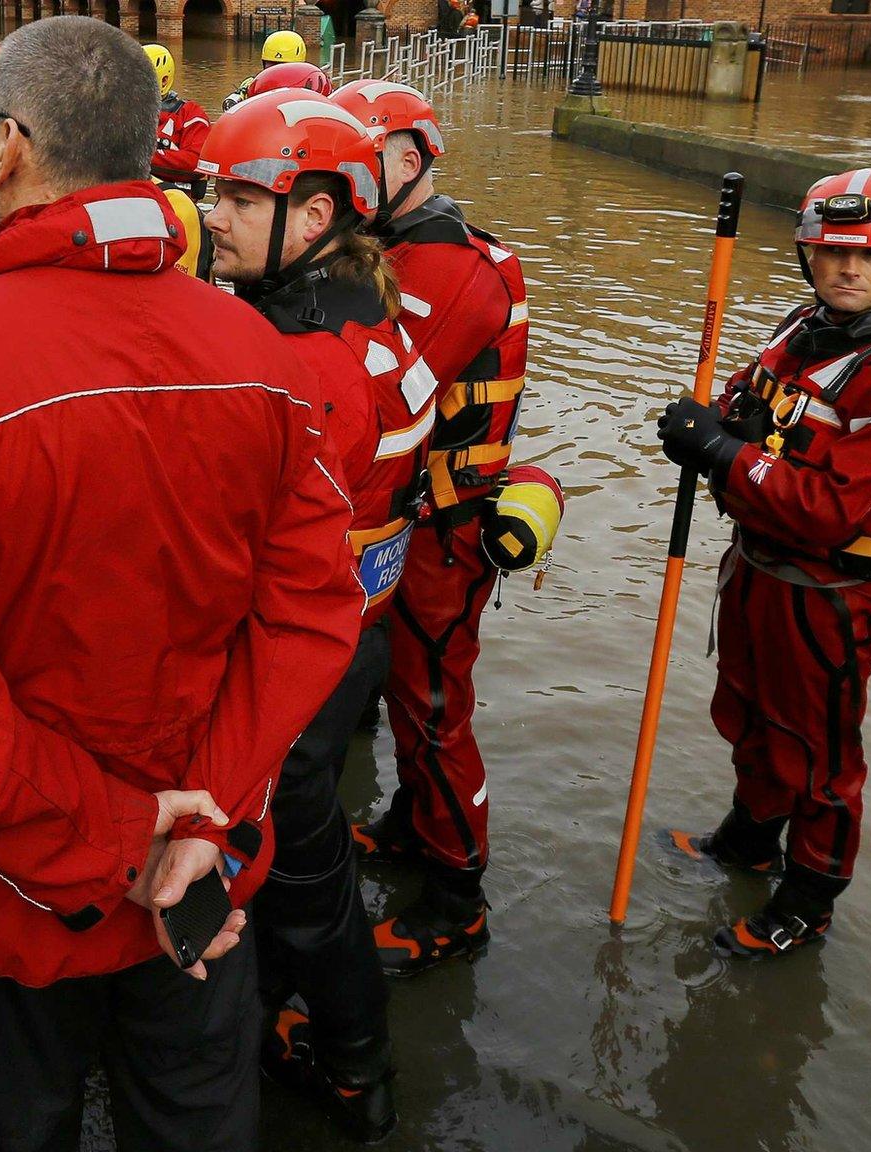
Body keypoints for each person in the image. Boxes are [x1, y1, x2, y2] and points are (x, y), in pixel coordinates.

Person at [0, 18, 361, 1151]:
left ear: (7, 147)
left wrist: (120, 839)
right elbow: (315, 610)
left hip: (7, 893)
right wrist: (200, 825)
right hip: (199, 883)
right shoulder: (265, 359)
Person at [659, 168, 871, 959]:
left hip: (835, 593)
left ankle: (809, 897)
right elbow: (743, 401)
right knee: (745, 710)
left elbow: (835, 508)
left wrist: (722, 451)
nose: (848, 270)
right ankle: (748, 840)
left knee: (821, 752)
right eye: (832, 253)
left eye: (870, 256)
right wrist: (704, 426)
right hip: (758, 569)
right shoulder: (799, 332)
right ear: (809, 257)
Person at [197, 87, 432, 1143]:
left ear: (318, 215)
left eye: (242, 199)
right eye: (211, 191)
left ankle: (352, 1065)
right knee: (308, 842)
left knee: (299, 864)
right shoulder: (370, 317)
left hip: (299, 649)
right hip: (359, 630)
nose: (212, 216)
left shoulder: (306, 365)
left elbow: (243, 542)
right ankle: (309, 1017)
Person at [331, 79, 535, 976]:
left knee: (435, 703)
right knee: (406, 692)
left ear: (408, 161)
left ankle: (459, 897)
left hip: (443, 530)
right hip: (403, 524)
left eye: (356, 162)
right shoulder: (388, 246)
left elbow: (386, 394)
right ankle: (414, 822)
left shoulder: (451, 265)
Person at [143, 44, 210, 203]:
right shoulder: (117, 113)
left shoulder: (190, 114)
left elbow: (196, 162)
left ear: (164, 80)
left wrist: (137, 157)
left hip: (175, 205)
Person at [224, 29, 309, 110]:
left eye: (283, 66)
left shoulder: (309, 86)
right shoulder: (252, 84)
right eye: (272, 64)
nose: (276, 71)